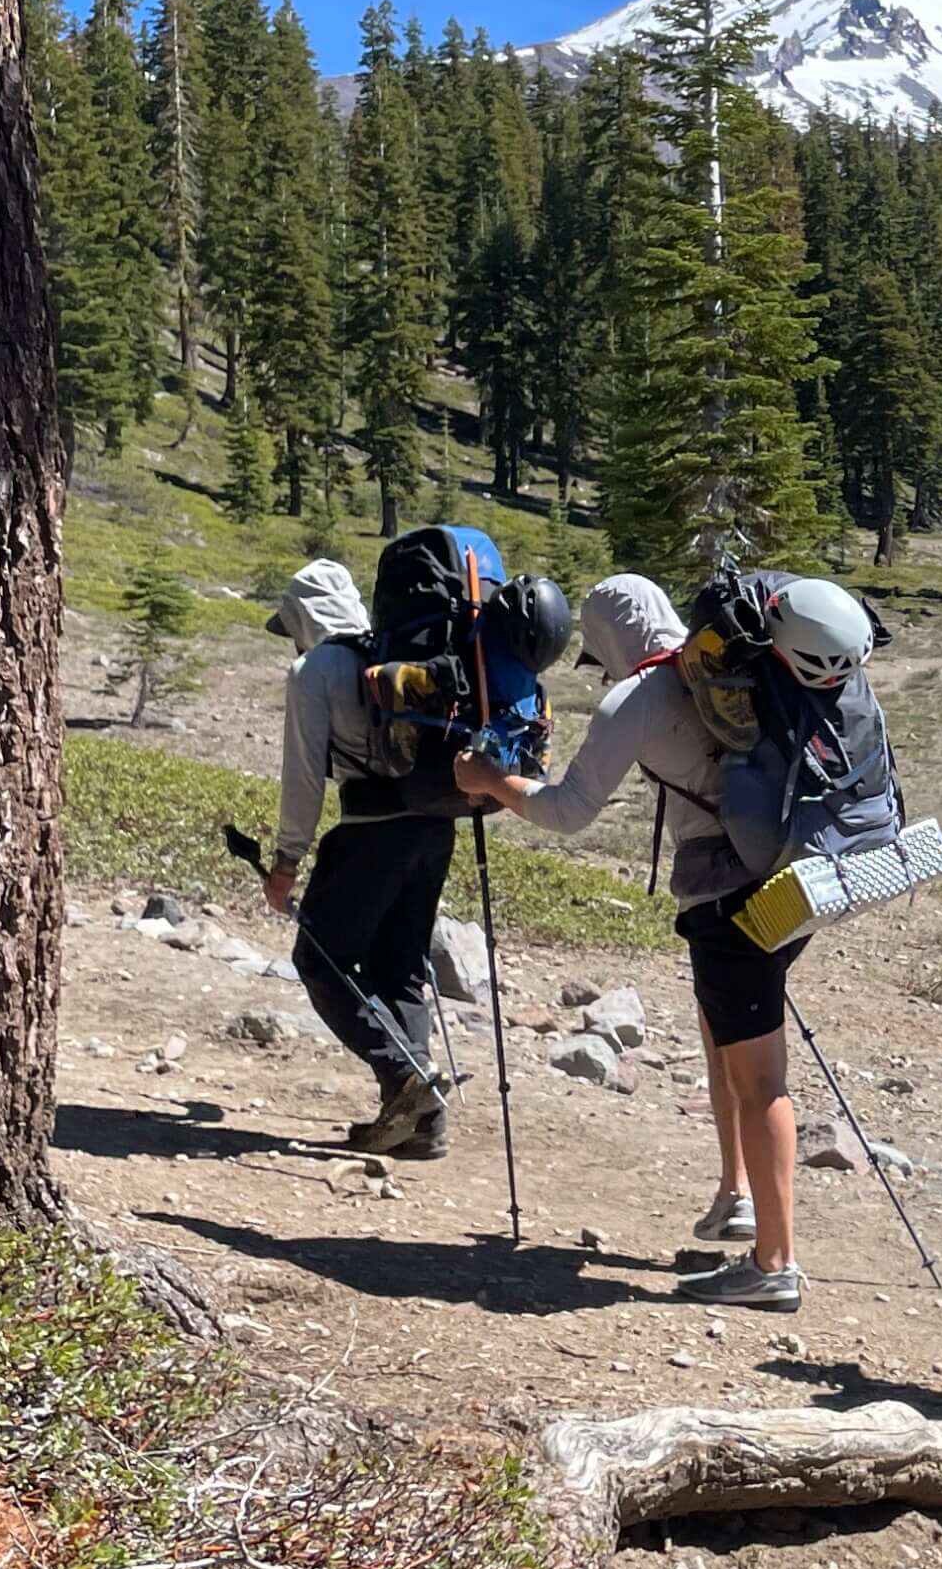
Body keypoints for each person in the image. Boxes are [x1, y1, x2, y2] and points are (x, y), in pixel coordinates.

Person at [455, 573, 878, 1315]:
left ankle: (774, 1265)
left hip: (728, 902)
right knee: (727, 1038)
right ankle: (735, 1197)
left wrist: (493, 781)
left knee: (760, 1079)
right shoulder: (748, 664)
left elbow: (564, 812)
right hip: (801, 879)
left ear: (611, 641)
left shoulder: (639, 700)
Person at [263, 553, 456, 1157]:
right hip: (435, 827)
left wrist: (286, 860)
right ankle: (422, 1126)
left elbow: (303, 779)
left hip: (372, 828)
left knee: (320, 957)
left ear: (304, 617)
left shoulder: (313, 669)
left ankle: (405, 1080)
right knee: (398, 965)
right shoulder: (396, 655)